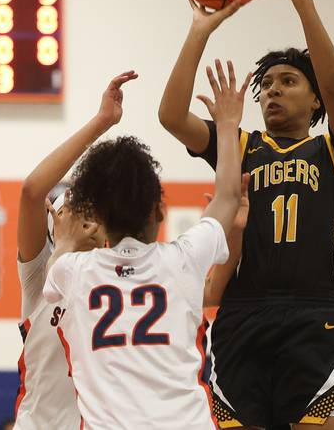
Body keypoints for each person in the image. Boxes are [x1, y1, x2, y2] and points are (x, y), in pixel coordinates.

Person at [159, 0, 334, 430]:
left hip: (312, 317)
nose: (273, 90)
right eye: (266, 85)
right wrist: (198, 32)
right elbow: (169, 115)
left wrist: (303, 3)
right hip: (241, 316)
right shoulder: (239, 144)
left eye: (288, 81)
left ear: (315, 100)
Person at [43, 66, 249, 429]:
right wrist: (228, 126)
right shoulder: (184, 259)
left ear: (100, 217)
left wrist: (66, 241)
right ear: (158, 210)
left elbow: (55, 272)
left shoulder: (72, 270)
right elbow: (229, 196)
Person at [13, 71, 136, 429]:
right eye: (77, 209)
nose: (89, 220)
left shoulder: (117, 274)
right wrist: (101, 122)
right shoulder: (40, 273)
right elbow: (32, 191)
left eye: (95, 212)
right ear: (55, 218)